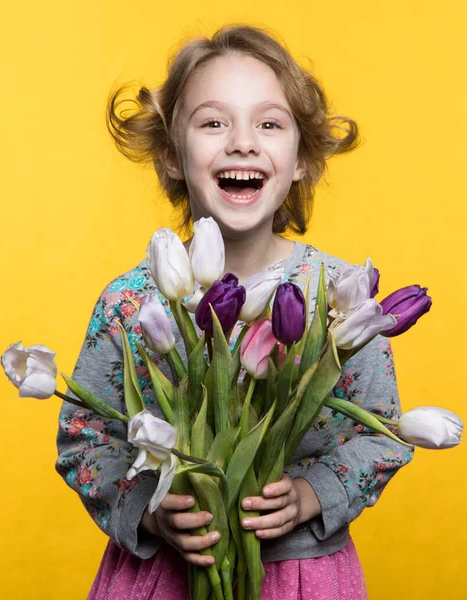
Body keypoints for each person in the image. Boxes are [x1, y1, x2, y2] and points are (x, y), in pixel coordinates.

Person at [56, 24, 414, 600]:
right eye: (213, 122)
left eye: (269, 124)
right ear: (173, 156)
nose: (242, 142)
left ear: (301, 159)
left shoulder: (338, 299)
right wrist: (150, 512)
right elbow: (83, 438)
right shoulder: (132, 302)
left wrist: (312, 493)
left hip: (301, 576)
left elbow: (385, 432)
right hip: (161, 578)